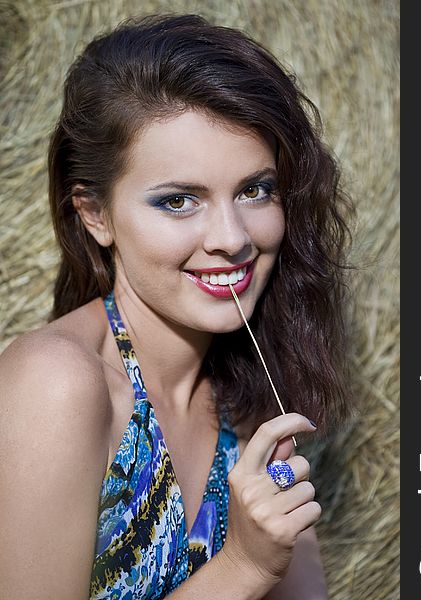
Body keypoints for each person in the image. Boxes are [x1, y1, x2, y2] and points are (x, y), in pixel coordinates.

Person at [0, 12, 351, 599]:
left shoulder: (246, 400)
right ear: (95, 214)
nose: (232, 237)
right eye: (180, 201)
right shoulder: (57, 385)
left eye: (254, 189)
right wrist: (243, 566)